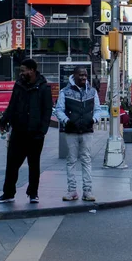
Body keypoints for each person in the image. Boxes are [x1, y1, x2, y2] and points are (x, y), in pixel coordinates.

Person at [0, 59, 53, 204]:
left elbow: (47, 111)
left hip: (35, 133)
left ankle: (33, 194)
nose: (21, 73)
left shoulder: (44, 87)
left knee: (34, 165)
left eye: (23, 70)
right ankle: (8, 193)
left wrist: (42, 131)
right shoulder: (19, 85)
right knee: (12, 164)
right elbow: (12, 104)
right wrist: (3, 121)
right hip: (18, 132)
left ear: (32, 70)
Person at [54, 66, 101, 202]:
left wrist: (94, 120)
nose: (83, 77)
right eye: (81, 75)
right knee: (71, 161)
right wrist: (66, 121)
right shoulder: (65, 92)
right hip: (71, 132)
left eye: (85, 75)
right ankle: (72, 191)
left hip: (87, 131)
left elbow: (98, 109)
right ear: (74, 75)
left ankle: (87, 191)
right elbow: (59, 110)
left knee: (86, 160)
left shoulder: (92, 92)